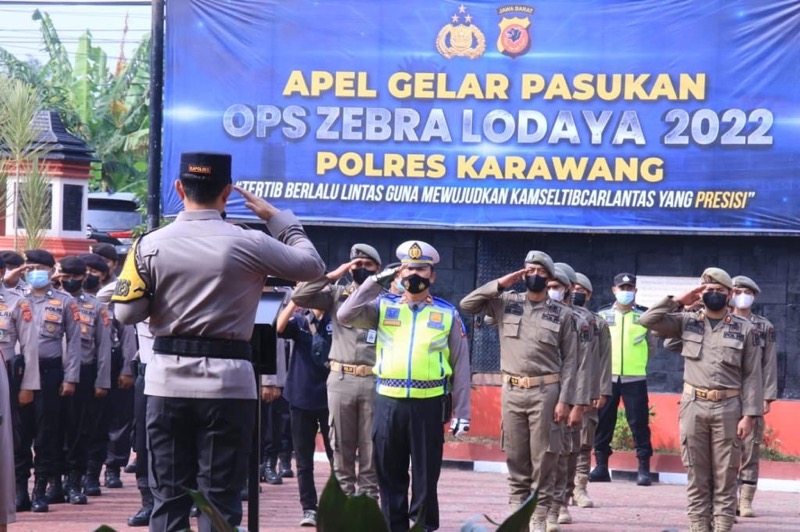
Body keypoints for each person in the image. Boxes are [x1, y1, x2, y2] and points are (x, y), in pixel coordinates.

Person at [113, 152, 325, 532]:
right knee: (220, 498)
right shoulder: (249, 242)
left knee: (169, 497)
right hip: (230, 383)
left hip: (166, 381)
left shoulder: (149, 245)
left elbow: (126, 314)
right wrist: (278, 220)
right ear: (227, 192)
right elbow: (312, 268)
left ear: (180, 188)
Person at [338, 240, 471, 532]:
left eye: (422, 269)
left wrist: (463, 411)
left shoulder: (447, 313)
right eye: (410, 268)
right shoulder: (382, 308)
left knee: (426, 476)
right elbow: (345, 314)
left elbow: (461, 366)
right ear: (400, 272)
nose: (415, 274)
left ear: (432, 275)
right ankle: (393, 527)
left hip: (429, 404)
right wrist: (375, 281)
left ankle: (421, 527)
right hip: (388, 402)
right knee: (389, 474)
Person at [460, 250, 578, 532]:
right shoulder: (506, 303)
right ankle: (517, 514)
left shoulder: (562, 314)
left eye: (540, 272)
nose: (533, 276)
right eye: (528, 270)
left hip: (546, 392)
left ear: (549, 277)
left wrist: (566, 400)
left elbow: (572, 361)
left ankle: (538, 517)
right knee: (515, 455)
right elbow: (468, 304)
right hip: (512, 390)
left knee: (544, 457)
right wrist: (503, 282)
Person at [639, 268, 762, 532]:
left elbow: (753, 375)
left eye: (719, 290)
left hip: (729, 408)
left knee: (726, 475)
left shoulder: (746, 330)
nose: (714, 294)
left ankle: (722, 527)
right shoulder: (686, 321)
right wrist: (679, 301)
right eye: (708, 289)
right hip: (693, 404)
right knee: (696, 473)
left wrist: (750, 416)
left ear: (729, 294)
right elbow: (647, 320)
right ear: (700, 292)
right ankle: (698, 527)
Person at [291, 243, 382, 499]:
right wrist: (331, 275)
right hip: (341, 377)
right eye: (357, 265)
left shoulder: (387, 298)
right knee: (341, 443)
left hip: (375, 379)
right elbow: (300, 298)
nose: (361, 269)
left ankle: (368, 503)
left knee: (370, 445)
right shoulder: (337, 293)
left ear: (378, 269)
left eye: (367, 265)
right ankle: (344, 502)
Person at [15, 249, 82, 511]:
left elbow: (74, 343)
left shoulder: (65, 301)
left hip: (50, 373)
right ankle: (20, 489)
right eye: (29, 268)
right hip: (20, 374)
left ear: (52, 271)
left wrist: (71, 378)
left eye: (39, 268)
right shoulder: (15, 298)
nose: (34, 273)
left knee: (47, 433)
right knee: (21, 433)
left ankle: (41, 489)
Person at [56, 256, 112, 499]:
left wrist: (102, 380)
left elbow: (103, 347)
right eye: (64, 276)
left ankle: (75, 481)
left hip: (83, 374)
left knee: (79, 430)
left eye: (74, 277)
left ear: (83, 278)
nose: (69, 281)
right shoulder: (47, 301)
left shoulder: (96, 306)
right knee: (51, 430)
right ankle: (53, 482)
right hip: (52, 372)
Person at [591, 273, 654, 486]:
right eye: (622, 287)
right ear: (614, 290)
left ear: (635, 290)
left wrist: (639, 363)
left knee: (639, 423)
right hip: (607, 376)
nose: (626, 291)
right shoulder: (601, 314)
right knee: (603, 421)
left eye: (629, 287)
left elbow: (651, 345)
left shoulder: (645, 316)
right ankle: (600, 466)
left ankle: (643, 468)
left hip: (635, 377)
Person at [276, 299, 334, 527]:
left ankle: (337, 503)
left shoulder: (337, 320)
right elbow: (278, 327)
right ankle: (309, 508)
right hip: (301, 394)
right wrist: (295, 300)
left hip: (331, 395)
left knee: (336, 456)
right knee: (303, 459)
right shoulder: (299, 320)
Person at [84, 251, 136, 490]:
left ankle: (113, 468)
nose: (88, 276)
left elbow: (127, 335)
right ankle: (89, 471)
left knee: (118, 419)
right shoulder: (74, 298)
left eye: (94, 272)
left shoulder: (117, 294)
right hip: (89, 362)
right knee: (91, 420)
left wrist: (127, 369)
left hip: (116, 361)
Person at [730, 275, 777, 518]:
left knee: (750, 447)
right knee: (725, 449)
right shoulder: (721, 320)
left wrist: (767, 397)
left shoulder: (764, 327)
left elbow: (769, 363)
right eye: (737, 290)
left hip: (753, 393)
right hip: (726, 392)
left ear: (754, 295)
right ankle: (725, 500)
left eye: (747, 291)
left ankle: (746, 500)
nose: (742, 295)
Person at [1, 254, 40, 528]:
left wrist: (27, 385)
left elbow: (30, 347)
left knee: (10, 443)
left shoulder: (16, 301)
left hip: (4, 375)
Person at [570, 272, 611, 510]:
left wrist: (603, 390)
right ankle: (558, 493)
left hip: (586, 391)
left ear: (589, 295)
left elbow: (605, 358)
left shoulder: (598, 323)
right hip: (557, 390)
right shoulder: (556, 317)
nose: (575, 292)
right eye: (572, 287)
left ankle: (580, 488)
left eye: (580, 289)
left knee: (584, 443)